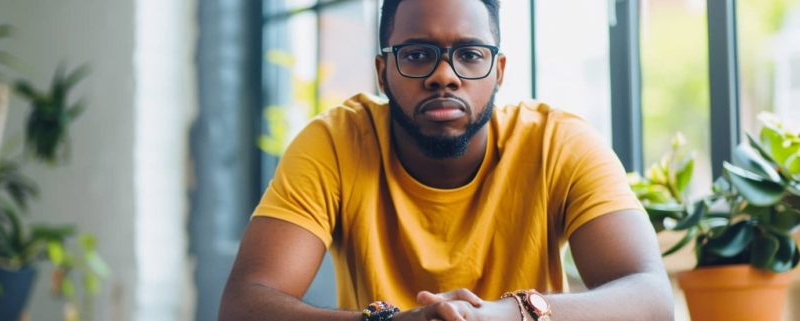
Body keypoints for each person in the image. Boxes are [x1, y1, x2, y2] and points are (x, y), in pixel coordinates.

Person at [219, 0, 674, 320]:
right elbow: (245, 304)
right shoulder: (335, 142)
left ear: (497, 72)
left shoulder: (558, 142)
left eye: (469, 55)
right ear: (382, 72)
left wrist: (509, 315)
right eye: (417, 55)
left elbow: (651, 298)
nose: (444, 76)